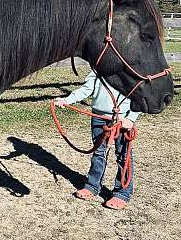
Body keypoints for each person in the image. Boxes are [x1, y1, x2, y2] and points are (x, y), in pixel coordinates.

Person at [55, 70, 140, 210]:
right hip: (99, 118)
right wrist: (66, 100)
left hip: (122, 119)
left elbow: (140, 95)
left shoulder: (131, 68)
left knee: (124, 157)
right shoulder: (99, 67)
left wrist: (131, 119)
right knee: (98, 153)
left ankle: (122, 193)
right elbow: (87, 88)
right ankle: (93, 185)